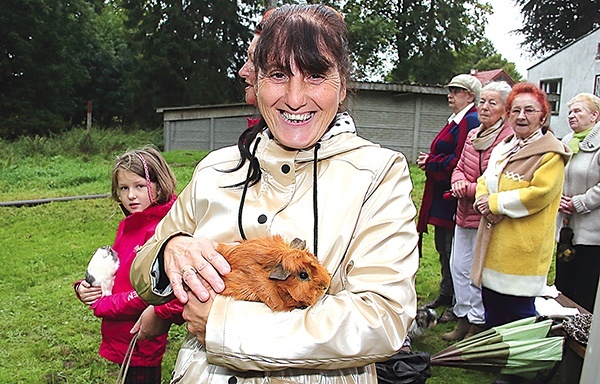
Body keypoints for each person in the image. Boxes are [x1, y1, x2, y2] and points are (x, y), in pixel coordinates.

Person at [130, 4, 419, 383]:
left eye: (316, 75)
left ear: (343, 84)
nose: (295, 98)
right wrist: (172, 249)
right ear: (257, 81)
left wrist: (226, 326)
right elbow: (143, 270)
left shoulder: (377, 173)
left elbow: (382, 319)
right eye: (279, 75)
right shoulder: (215, 169)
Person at [74, 146, 182, 383]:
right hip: (122, 336)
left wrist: (103, 304)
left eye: (139, 186)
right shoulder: (131, 223)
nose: (131, 195)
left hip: (141, 340)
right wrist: (85, 287)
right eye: (124, 188)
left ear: (159, 185)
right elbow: (117, 272)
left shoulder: (160, 231)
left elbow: (154, 294)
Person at [442, 81, 514, 341]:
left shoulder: (508, 140)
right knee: (457, 266)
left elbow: (498, 179)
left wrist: (469, 189)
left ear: (505, 110)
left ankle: (477, 323)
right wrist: (457, 181)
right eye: (483, 101)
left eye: (492, 103)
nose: (484, 107)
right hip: (462, 212)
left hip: (486, 215)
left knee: (477, 272)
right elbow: (460, 166)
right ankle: (463, 317)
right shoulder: (473, 134)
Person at [416, 73, 482, 322]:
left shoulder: (470, 120)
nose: (450, 94)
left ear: (470, 96)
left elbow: (461, 159)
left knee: (454, 249)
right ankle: (448, 291)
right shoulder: (456, 120)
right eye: (450, 89)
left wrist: (432, 162)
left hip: (453, 196)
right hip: (442, 193)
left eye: (457, 91)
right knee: (444, 247)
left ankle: (457, 298)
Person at [555, 93, 600, 312]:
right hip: (566, 228)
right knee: (563, 287)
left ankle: (582, 339)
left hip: (592, 233)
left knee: (584, 290)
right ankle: (563, 334)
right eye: (570, 112)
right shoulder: (566, 142)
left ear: (594, 115)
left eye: (578, 111)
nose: (571, 116)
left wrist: (580, 202)